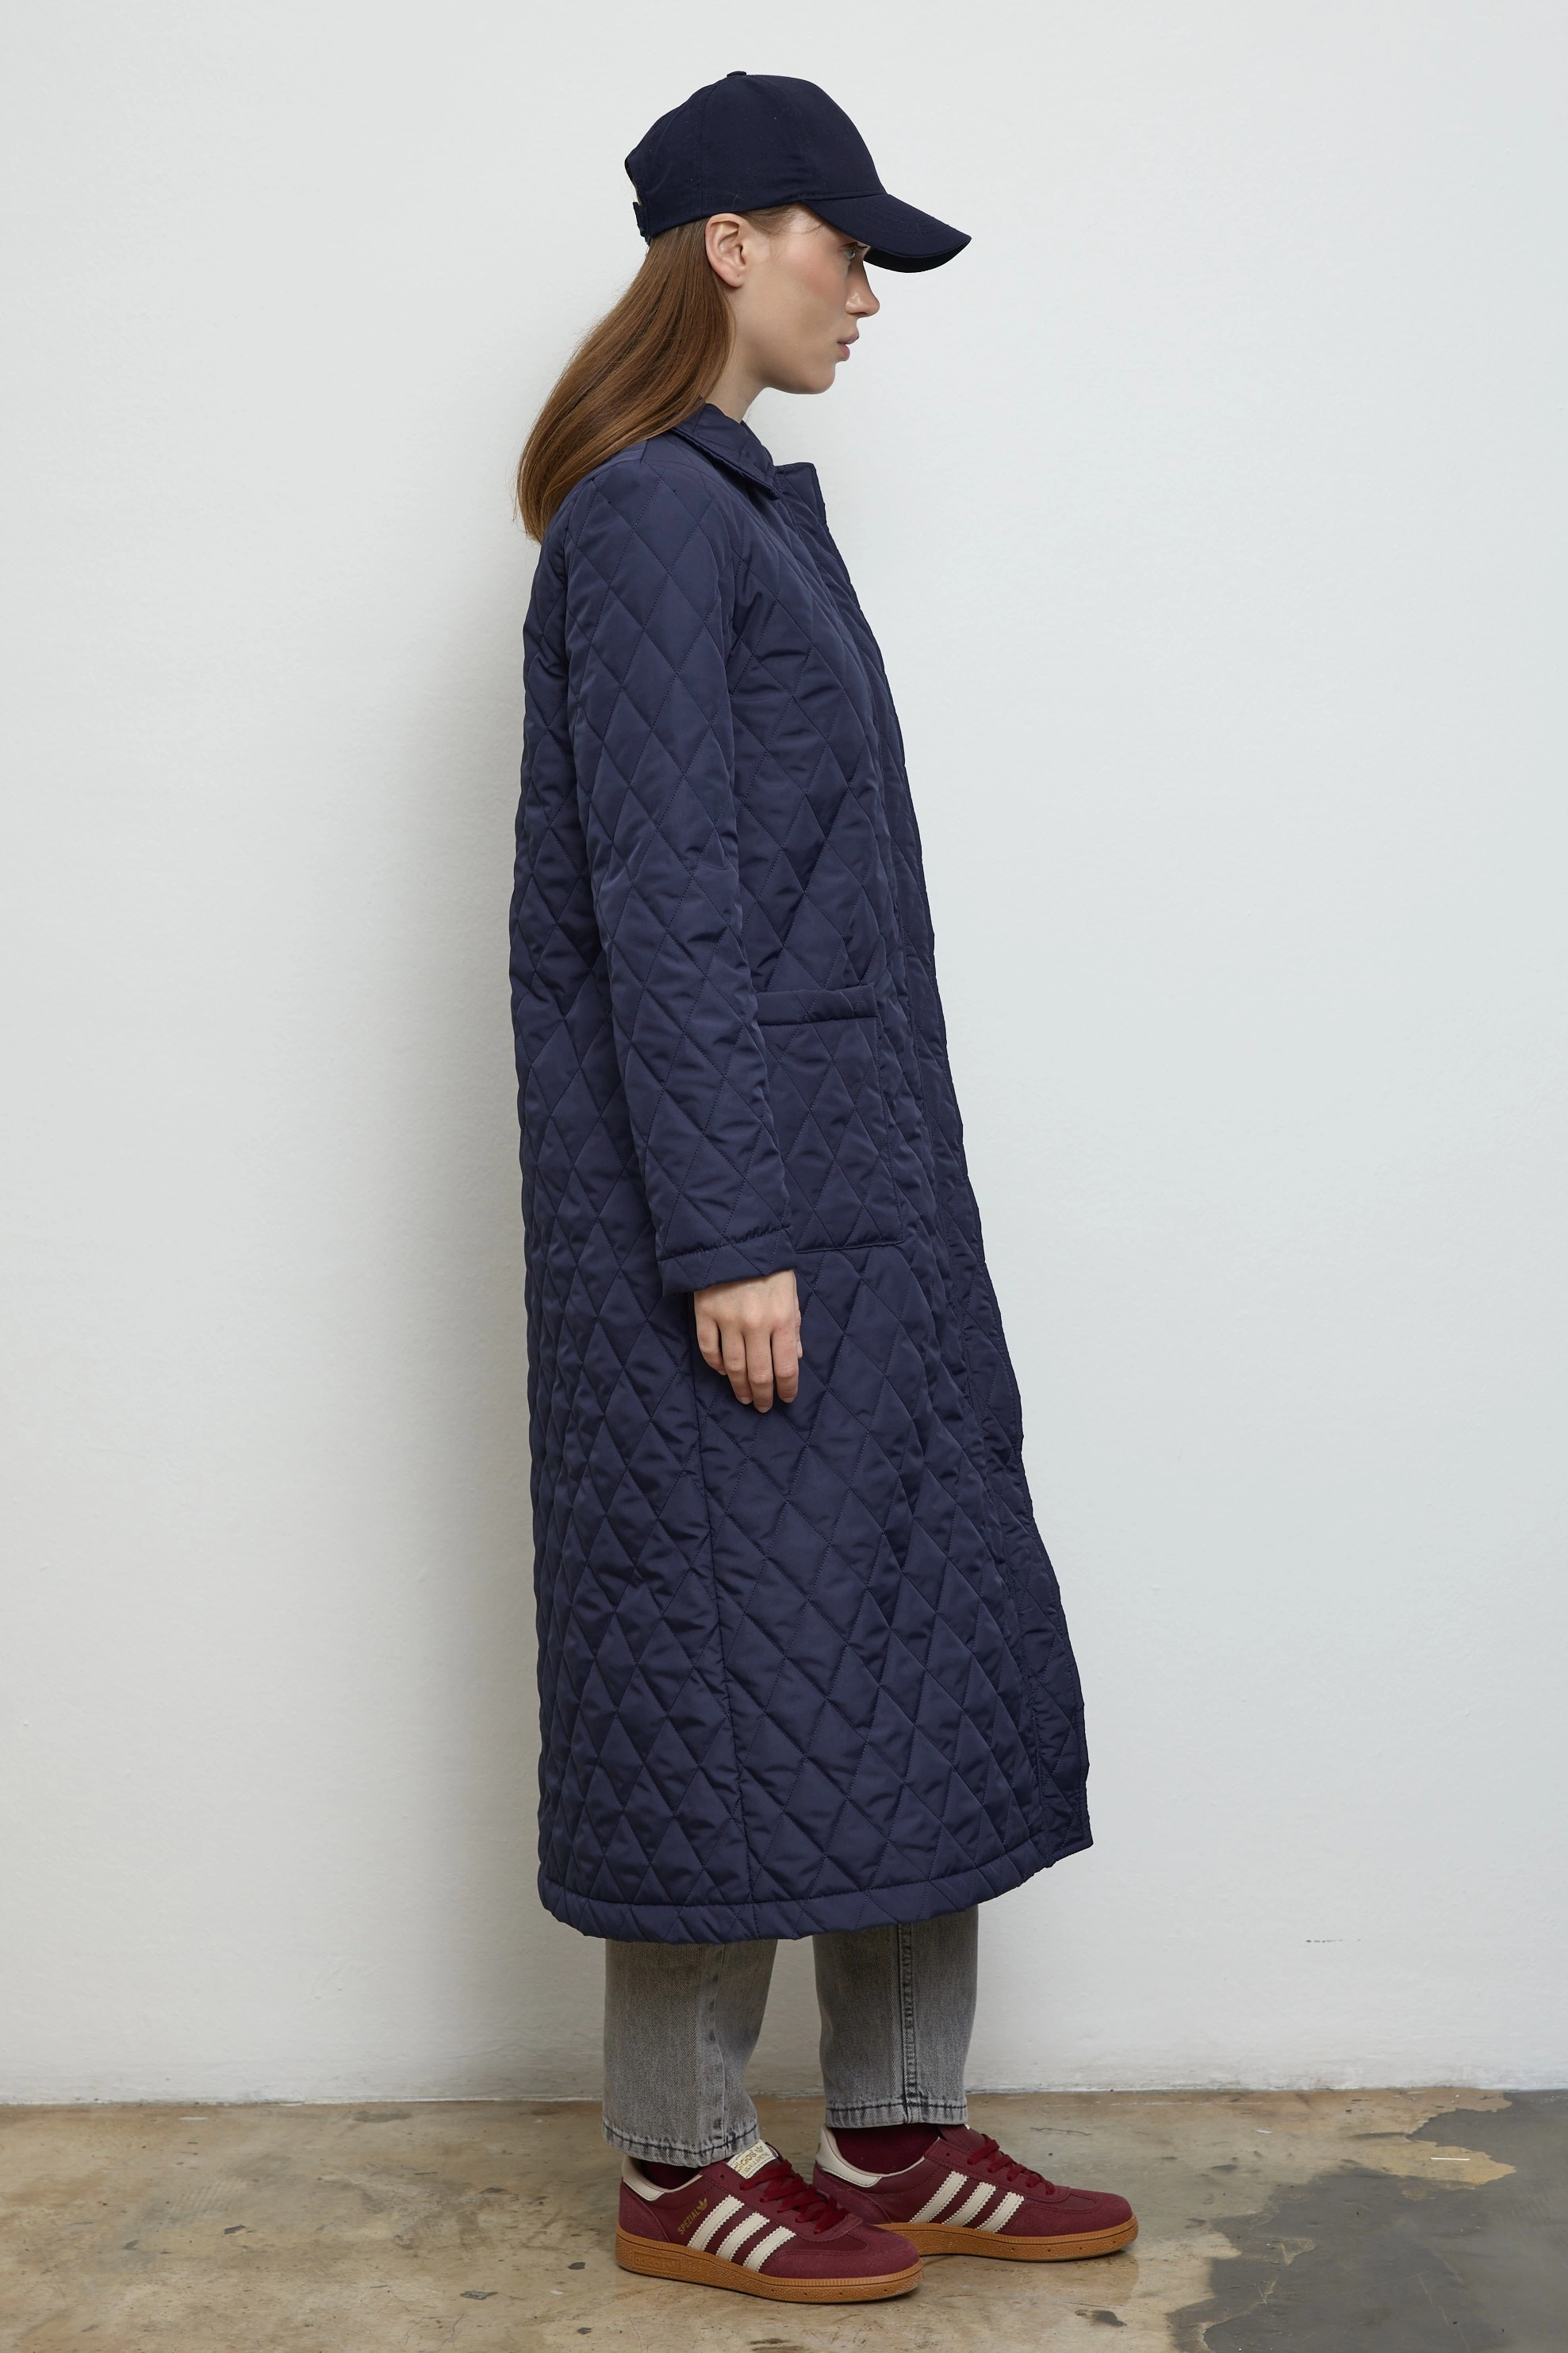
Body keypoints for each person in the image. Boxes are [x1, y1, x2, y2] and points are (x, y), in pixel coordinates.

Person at [510, 71, 1134, 2305]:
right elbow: (664, 909)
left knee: (903, 1645)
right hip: (742, 1226)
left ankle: (898, 2122)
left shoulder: (746, 512)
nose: (867, 290)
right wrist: (727, 1237)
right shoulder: (647, 525)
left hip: (857, 1204)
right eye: (843, 246)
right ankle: (683, 2160)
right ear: (728, 244)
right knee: (724, 1667)